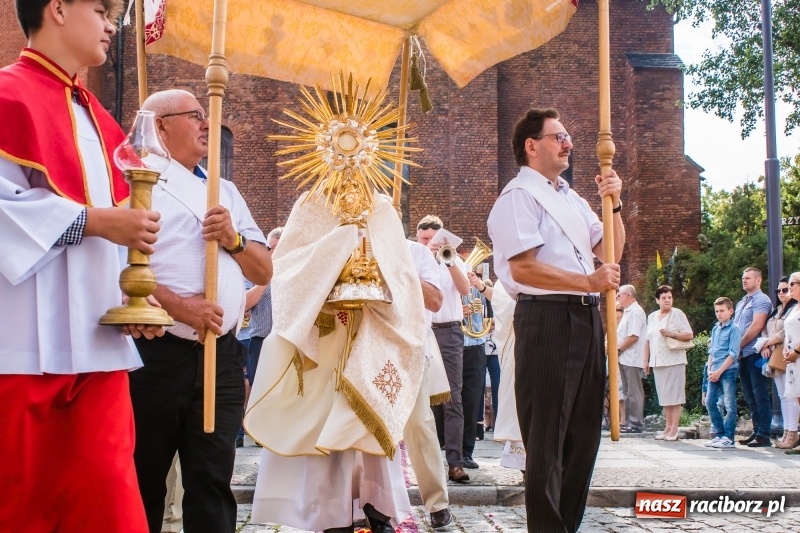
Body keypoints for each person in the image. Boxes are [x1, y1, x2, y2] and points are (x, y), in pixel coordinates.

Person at [0, 1, 163, 531]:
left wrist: (134, 292)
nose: (112, 25)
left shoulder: (101, 120)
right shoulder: (5, 96)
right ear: (57, 9)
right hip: (21, 349)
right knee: (22, 507)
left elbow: (116, 226)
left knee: (109, 509)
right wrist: (95, 221)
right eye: (100, 10)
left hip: (98, 349)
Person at [130, 89, 271, 533]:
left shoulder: (224, 190)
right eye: (195, 115)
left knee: (212, 481)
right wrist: (179, 308)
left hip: (221, 357)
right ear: (161, 126)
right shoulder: (137, 182)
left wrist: (234, 240)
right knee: (143, 478)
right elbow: (116, 266)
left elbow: (264, 268)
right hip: (155, 354)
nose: (207, 124)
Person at [243, 190, 426, 533]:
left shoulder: (381, 207)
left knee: (370, 423)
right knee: (325, 427)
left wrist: (373, 268)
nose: (350, 165)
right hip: (323, 335)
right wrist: (340, 243)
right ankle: (330, 514)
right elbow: (285, 270)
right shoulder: (311, 204)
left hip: (372, 332)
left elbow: (402, 274)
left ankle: (378, 507)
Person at [487, 107, 625, 532]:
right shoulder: (517, 197)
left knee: (583, 437)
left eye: (567, 136)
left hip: (585, 317)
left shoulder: (571, 197)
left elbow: (612, 253)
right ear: (532, 146)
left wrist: (614, 204)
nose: (569, 143)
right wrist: (588, 282)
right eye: (558, 137)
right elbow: (524, 268)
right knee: (547, 439)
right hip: (546, 318)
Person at [416, 215, 471, 483]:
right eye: (424, 239)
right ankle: (417, 462)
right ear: (417, 238)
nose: (429, 244)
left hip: (449, 331)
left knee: (453, 398)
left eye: (433, 239)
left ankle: (455, 463)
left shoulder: (453, 259)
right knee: (418, 396)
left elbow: (465, 289)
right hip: (421, 330)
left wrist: (448, 261)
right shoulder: (413, 258)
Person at [403, 239, 453, 529]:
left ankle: (437, 503)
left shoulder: (417, 253)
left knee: (419, 423)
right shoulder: (355, 246)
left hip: (410, 348)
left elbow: (434, 301)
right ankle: (364, 503)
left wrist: (397, 262)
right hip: (367, 349)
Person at [643, 285, 694, 441]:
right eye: (664, 298)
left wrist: (672, 333)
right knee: (664, 396)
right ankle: (667, 427)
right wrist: (645, 360)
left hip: (674, 360)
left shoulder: (677, 314)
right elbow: (647, 340)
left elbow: (689, 334)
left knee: (675, 395)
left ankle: (674, 429)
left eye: (669, 297)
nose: (667, 300)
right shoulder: (652, 317)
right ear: (657, 300)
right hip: (657, 361)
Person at [734, 267, 774, 447]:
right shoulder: (742, 302)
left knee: (760, 394)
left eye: (748, 278)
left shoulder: (762, 300)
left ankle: (764, 434)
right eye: (743, 278)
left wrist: (738, 345)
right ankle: (757, 430)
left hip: (755, 352)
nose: (744, 280)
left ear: (758, 280)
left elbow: (757, 326)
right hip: (742, 355)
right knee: (749, 395)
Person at [461, 265, 493, 469]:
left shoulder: (479, 290)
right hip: (455, 345)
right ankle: (448, 446)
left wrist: (480, 287)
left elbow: (493, 312)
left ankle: (466, 452)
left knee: (472, 402)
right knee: (451, 401)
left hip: (476, 347)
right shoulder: (449, 286)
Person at [704, 297, 742, 449]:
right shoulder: (716, 329)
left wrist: (720, 371)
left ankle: (729, 437)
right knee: (710, 402)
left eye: (722, 311)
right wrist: (710, 369)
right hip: (714, 371)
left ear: (730, 311)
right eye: (717, 311)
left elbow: (733, 354)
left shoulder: (734, 329)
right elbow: (712, 351)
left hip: (728, 371)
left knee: (729, 404)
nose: (719, 314)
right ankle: (719, 434)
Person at [617, 285, 647, 433]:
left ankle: (635, 423)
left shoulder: (636, 312)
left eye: (619, 295)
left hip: (632, 358)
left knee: (634, 392)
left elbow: (634, 336)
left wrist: (619, 349)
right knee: (627, 391)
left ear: (627, 295)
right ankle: (629, 422)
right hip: (625, 358)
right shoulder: (628, 312)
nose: (618, 298)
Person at [777, 273, 800, 453]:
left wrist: (796, 352)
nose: (788, 287)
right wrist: (786, 349)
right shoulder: (793, 308)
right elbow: (788, 332)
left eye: (792, 284)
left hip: (798, 355)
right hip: (792, 359)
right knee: (797, 397)